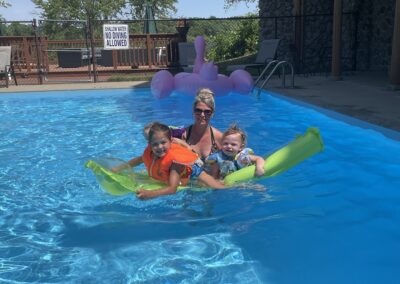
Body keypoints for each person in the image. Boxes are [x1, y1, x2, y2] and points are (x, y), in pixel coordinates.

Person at [113, 122, 224, 200]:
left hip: (194, 172)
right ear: (149, 144)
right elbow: (137, 160)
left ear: (171, 141)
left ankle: (233, 184)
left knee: (216, 187)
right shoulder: (150, 153)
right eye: (155, 144)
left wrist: (150, 194)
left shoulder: (174, 162)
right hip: (172, 173)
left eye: (163, 142)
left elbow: (172, 189)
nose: (159, 147)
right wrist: (118, 168)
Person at [181, 88, 223, 162]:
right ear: (193, 111)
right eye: (198, 110)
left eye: (207, 112)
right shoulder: (185, 135)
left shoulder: (218, 137)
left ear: (212, 113)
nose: (202, 115)